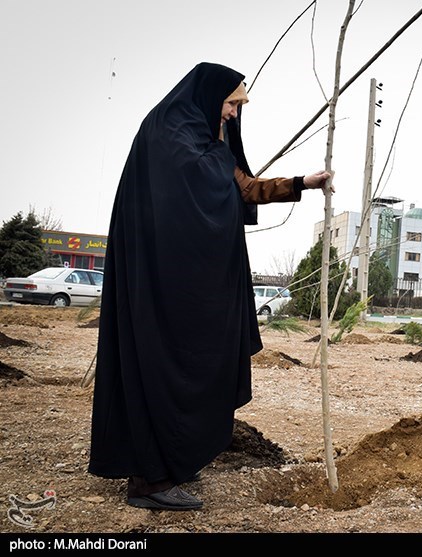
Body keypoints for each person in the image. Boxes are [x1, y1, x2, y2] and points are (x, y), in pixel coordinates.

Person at [88, 62, 331, 510]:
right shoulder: (164, 134)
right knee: (159, 367)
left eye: (239, 106)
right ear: (207, 95)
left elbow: (243, 188)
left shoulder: (209, 141)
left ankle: (174, 460)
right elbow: (179, 197)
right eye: (232, 104)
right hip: (162, 285)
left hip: (197, 289)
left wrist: (302, 183)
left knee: (199, 366)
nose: (235, 114)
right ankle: (147, 481)